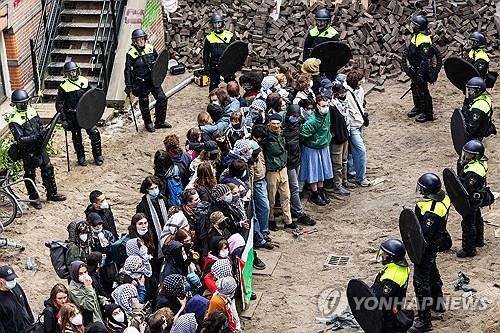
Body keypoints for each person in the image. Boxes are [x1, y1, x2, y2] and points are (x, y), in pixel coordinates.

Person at [7, 89, 66, 209]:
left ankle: (52, 193)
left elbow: (39, 124)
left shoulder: (32, 111)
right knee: (30, 175)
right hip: (27, 151)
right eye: (20, 104)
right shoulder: (14, 120)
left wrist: (43, 131)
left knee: (48, 168)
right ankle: (34, 199)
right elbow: (21, 139)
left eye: (25, 103)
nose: (23, 105)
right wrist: (37, 136)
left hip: (40, 146)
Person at [409, 173, 450, 332]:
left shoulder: (431, 210)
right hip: (435, 244)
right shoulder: (444, 199)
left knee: (421, 282)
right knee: (432, 271)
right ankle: (438, 304)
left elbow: (423, 235)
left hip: (426, 248)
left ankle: (424, 321)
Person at [56, 61, 103, 166]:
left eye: (74, 71)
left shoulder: (84, 81)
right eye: (70, 72)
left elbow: (92, 96)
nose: (73, 74)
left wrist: (94, 111)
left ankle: (98, 156)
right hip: (72, 116)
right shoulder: (63, 86)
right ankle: (81, 157)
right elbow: (59, 104)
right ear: (67, 74)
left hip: (86, 114)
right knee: (77, 137)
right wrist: (63, 119)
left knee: (94, 133)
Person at [124, 29, 171, 132]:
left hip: (153, 79)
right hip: (141, 82)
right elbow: (127, 70)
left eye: (142, 39)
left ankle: (160, 121)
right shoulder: (131, 54)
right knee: (144, 102)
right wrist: (128, 85)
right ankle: (148, 123)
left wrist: (159, 74)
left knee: (162, 98)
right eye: (138, 40)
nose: (141, 41)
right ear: (134, 41)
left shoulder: (150, 48)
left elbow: (158, 62)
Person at [282, 104, 316, 226]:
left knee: (294, 187)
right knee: (295, 187)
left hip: (297, 159)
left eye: (296, 116)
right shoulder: (283, 129)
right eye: (293, 116)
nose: (295, 118)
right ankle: (299, 212)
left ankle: (294, 208)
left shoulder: (298, 124)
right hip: (288, 163)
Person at [263, 113, 297, 230]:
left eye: (278, 123)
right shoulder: (266, 136)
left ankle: (288, 220)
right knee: (271, 198)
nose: (276, 126)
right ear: (269, 123)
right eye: (273, 123)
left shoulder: (283, 134)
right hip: (271, 171)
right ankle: (270, 219)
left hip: (283, 169)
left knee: (286, 196)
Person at [299, 96, 333, 206]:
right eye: (323, 106)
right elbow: (302, 135)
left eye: (327, 105)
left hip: (323, 146)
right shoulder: (311, 121)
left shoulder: (327, 114)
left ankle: (321, 189)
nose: (326, 108)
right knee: (313, 171)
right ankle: (315, 192)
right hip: (312, 148)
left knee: (322, 169)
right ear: (317, 106)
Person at [457, 140, 488, 258]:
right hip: (478, 196)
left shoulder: (474, 171)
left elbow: (465, 188)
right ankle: (479, 240)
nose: (466, 155)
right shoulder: (479, 163)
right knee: (477, 218)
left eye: (469, 154)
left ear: (476, 156)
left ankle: (469, 249)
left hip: (472, 199)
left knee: (468, 223)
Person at [401, 15, 436, 123]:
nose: (412, 26)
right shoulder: (416, 35)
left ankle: (428, 113)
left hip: (421, 70)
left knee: (423, 91)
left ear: (419, 27)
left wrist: (420, 74)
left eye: (414, 25)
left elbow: (425, 60)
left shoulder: (424, 40)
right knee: (414, 87)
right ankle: (418, 107)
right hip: (415, 68)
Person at [372, 240, 411, 333]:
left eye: (385, 254)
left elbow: (379, 297)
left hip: (388, 311)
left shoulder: (393, 278)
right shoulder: (397, 266)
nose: (382, 256)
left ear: (391, 258)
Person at [345, 71, 371, 187]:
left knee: (352, 151)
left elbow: (361, 104)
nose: (362, 83)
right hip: (352, 126)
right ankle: (361, 178)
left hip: (359, 123)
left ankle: (352, 172)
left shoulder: (360, 90)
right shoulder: (345, 93)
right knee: (360, 150)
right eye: (360, 81)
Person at [136, 176, 170, 262]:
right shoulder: (142, 206)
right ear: (146, 189)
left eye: (156, 187)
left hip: (166, 234)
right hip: (153, 239)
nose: (154, 190)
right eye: (151, 188)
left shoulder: (163, 199)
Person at [329, 79, 354, 196]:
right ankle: (337, 185)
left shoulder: (345, 104)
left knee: (344, 161)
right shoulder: (332, 107)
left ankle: (345, 180)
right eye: (341, 92)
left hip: (345, 136)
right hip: (336, 139)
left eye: (344, 91)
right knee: (337, 163)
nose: (343, 94)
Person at [203, 14, 236, 91]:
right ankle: (213, 101)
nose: (217, 26)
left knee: (232, 84)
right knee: (213, 85)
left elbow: (234, 52)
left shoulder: (229, 35)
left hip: (226, 64)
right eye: (215, 23)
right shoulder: (209, 37)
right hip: (214, 64)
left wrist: (233, 66)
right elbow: (206, 54)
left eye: (219, 23)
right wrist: (206, 67)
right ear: (212, 25)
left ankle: (233, 99)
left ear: (222, 24)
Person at [68, 261, 105, 325]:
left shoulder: (86, 281)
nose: (84, 275)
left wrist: (102, 300)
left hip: (98, 315)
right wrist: (88, 287)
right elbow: (89, 306)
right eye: (80, 273)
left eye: (85, 272)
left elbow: (94, 296)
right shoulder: (73, 289)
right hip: (91, 321)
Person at [0, 265, 35, 333]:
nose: (13, 281)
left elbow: (25, 304)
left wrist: (32, 321)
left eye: (13, 278)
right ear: (1, 281)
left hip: (28, 327)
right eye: (9, 280)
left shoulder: (16, 287)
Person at [461, 77, 494, 141]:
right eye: (469, 89)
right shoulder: (485, 98)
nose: (469, 92)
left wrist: (465, 111)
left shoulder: (478, 106)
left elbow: (471, 129)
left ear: (478, 91)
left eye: (471, 90)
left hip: (476, 137)